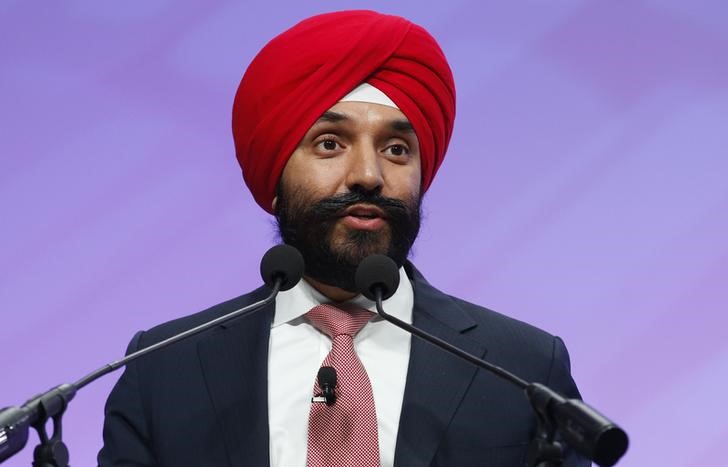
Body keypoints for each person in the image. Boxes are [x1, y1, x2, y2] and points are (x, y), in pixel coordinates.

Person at [98, 10, 588, 467]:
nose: (369, 175)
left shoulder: (525, 366)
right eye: (330, 144)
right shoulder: (164, 369)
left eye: (396, 149)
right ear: (274, 182)